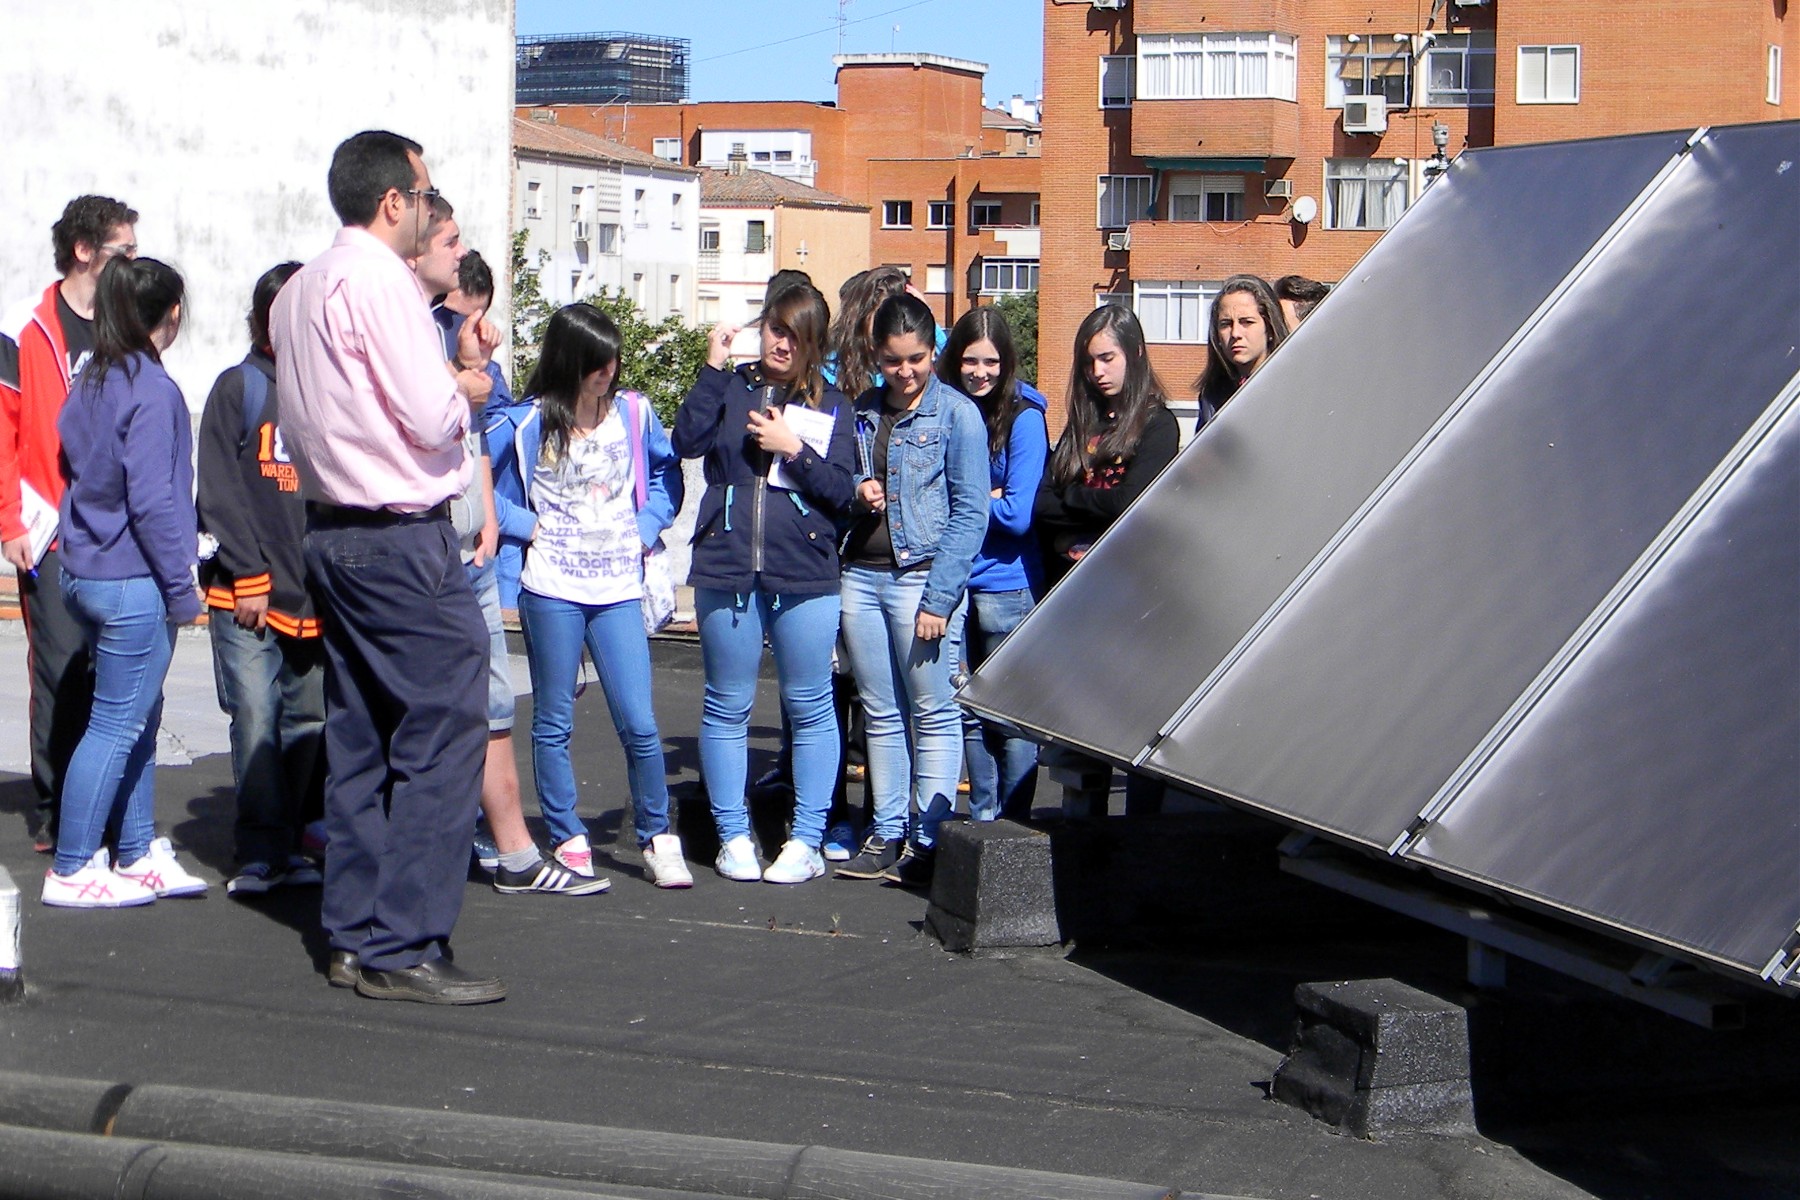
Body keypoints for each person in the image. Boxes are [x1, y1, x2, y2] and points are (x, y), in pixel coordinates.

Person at [271, 129, 505, 1005]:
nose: (428, 204)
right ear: (394, 201)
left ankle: (353, 932)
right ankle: (404, 943)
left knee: (361, 733)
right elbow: (429, 411)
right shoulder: (381, 282)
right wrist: (470, 389)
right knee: (447, 727)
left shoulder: (296, 291)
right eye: (424, 189)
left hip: (332, 530)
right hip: (399, 535)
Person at [411, 208, 602, 897]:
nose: (482, 330)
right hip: (422, 548)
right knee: (427, 707)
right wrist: (461, 377)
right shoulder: (413, 337)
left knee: (493, 698)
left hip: (472, 548)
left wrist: (493, 520)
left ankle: (513, 847)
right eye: (469, 314)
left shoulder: (470, 360)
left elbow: (479, 444)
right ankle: (449, 841)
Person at [673, 283, 855, 884]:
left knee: (809, 706)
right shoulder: (732, 385)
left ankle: (805, 838)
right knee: (727, 704)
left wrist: (793, 449)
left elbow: (841, 492)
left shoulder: (833, 403)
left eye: (795, 333)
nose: (781, 342)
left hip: (804, 570)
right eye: (775, 328)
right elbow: (687, 440)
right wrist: (711, 366)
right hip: (727, 563)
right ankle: (732, 836)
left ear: (815, 343)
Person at [507, 303, 691, 890]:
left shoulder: (635, 413)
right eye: (596, 362)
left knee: (638, 721)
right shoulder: (529, 422)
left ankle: (658, 836)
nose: (608, 371)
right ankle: (567, 834)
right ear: (569, 360)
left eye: (613, 359)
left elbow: (667, 477)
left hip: (617, 587)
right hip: (552, 586)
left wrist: (643, 529)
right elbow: (475, 482)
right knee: (553, 719)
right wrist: (525, 526)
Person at [44, 255, 207, 907]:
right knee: (116, 721)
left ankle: (136, 851)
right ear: (170, 316)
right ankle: (75, 864)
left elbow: (76, 464)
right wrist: (181, 588)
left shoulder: (91, 378)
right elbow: (153, 501)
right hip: (131, 575)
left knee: (136, 715)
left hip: (87, 567)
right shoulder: (152, 387)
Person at [0, 194, 138, 855]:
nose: (134, 264)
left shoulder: (127, 325)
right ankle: (58, 807)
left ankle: (106, 802)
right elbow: (3, 432)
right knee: (60, 665)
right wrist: (9, 521)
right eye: (124, 252)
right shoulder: (26, 327)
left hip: (119, 525)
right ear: (85, 251)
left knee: (113, 667)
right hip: (51, 523)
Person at [835, 294, 989, 881]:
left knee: (932, 711)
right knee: (879, 711)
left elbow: (971, 513)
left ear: (934, 352)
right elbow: (840, 475)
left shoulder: (957, 415)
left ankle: (927, 839)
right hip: (862, 576)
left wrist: (941, 598)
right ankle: (887, 831)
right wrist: (858, 489)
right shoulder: (864, 410)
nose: (905, 372)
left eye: (917, 359)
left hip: (921, 578)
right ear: (877, 355)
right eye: (894, 361)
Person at [196, 261, 328, 897]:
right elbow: (218, 493)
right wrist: (248, 574)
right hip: (245, 596)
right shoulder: (237, 388)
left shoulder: (332, 390)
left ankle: (294, 838)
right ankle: (258, 849)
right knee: (255, 716)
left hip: (314, 598)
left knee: (308, 721)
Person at [1036, 304, 1181, 816]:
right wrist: (1074, 531)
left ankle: (1139, 844)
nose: (1097, 372)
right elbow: (1039, 504)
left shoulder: (1158, 426)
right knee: (1081, 740)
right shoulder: (1083, 423)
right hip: (1077, 605)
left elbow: (1129, 507)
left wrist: (1073, 507)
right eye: (1089, 361)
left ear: (1135, 354)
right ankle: (1085, 841)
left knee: (1136, 734)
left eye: (1108, 358)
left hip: (1131, 602)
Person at [923, 306, 1049, 870]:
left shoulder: (1023, 417)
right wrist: (983, 499)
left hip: (1005, 585)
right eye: (970, 360)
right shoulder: (944, 409)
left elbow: (1020, 513)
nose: (980, 372)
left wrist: (969, 501)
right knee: (967, 711)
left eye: (991, 361)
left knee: (1011, 715)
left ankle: (1016, 830)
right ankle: (984, 825)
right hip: (954, 583)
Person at [1194, 274, 1289, 430]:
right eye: (1226, 324)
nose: (1235, 333)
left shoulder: (1292, 388)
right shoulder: (1211, 396)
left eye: (1247, 322)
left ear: (1270, 328)